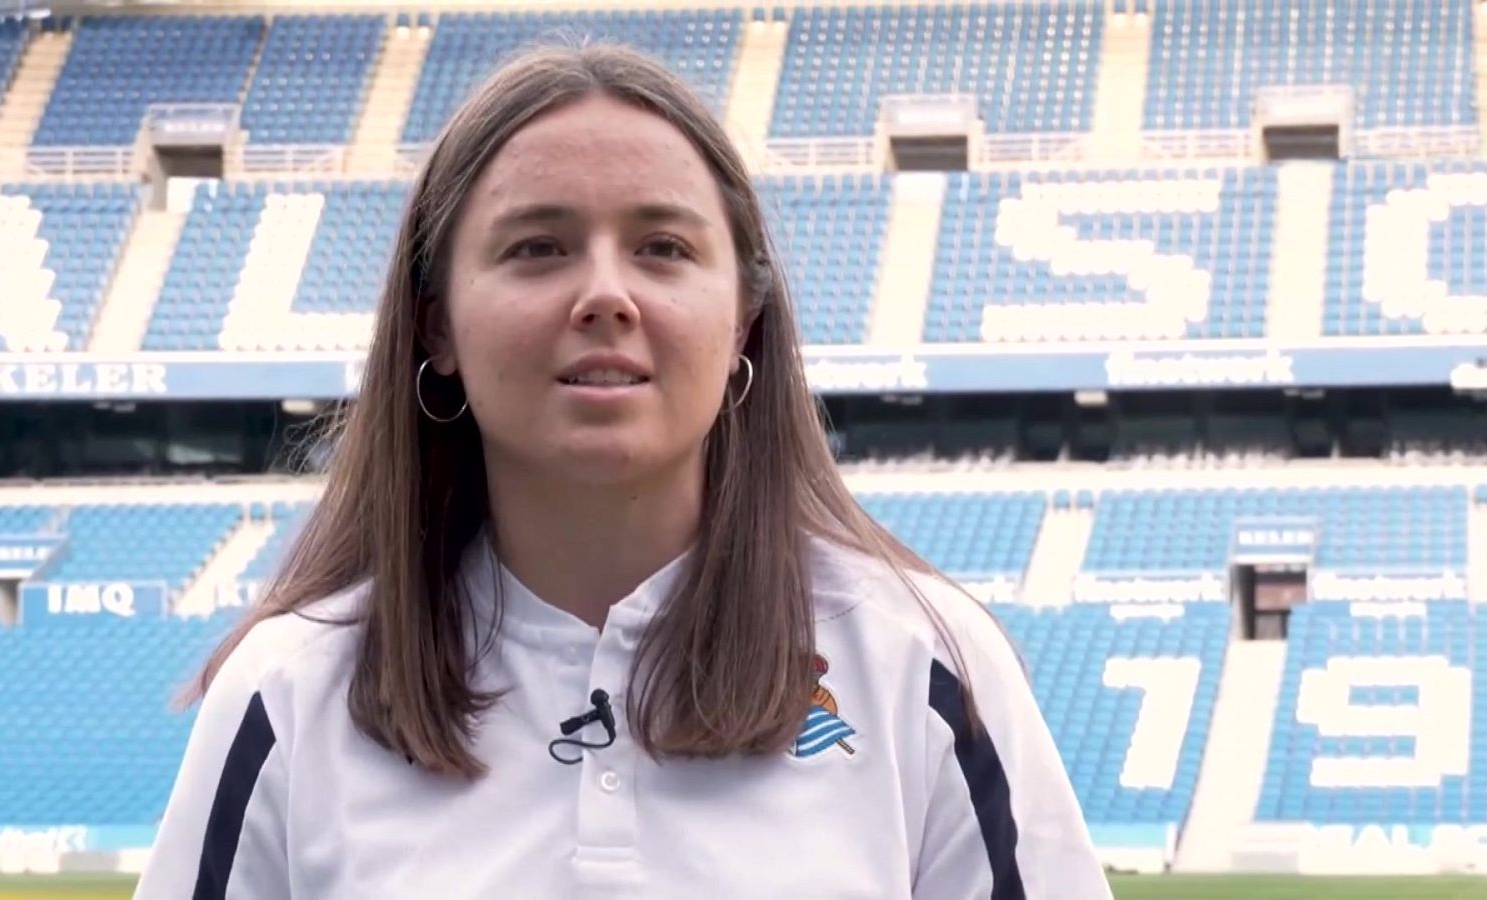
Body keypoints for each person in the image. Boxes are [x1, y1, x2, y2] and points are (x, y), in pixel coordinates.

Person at [134, 43, 1112, 900]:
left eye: (663, 247)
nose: (605, 293)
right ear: (436, 323)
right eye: (537, 248)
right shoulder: (290, 695)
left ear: (743, 324)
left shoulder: (924, 669)